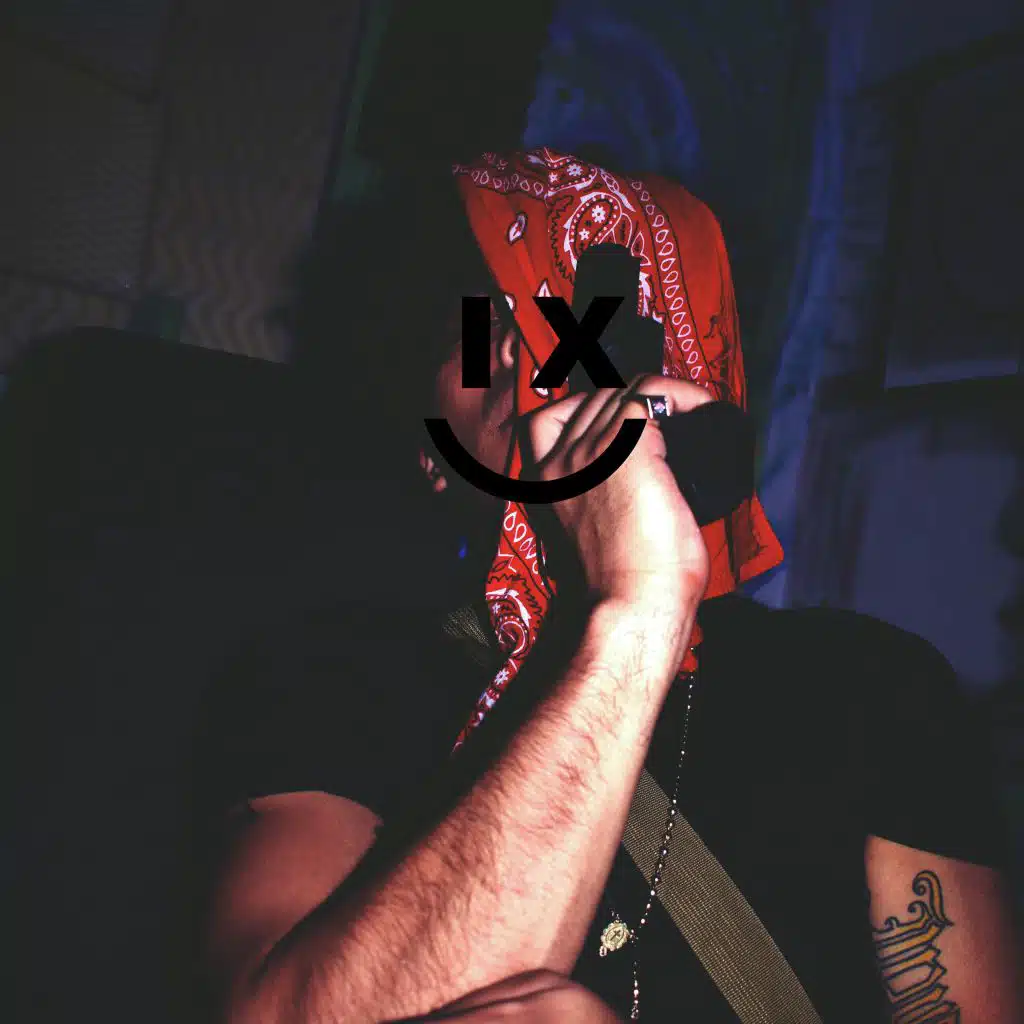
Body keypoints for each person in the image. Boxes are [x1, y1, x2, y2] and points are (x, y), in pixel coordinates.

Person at [192, 148, 1020, 1022]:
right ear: (434, 455)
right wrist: (636, 611)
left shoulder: (868, 686)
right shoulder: (329, 677)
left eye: (573, 311)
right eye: (475, 329)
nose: (519, 346)